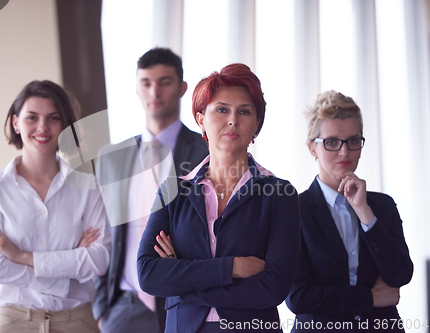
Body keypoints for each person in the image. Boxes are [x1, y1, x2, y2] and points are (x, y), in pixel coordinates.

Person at [137, 63, 301, 333]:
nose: (233, 120)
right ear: (201, 118)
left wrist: (184, 287)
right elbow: (149, 274)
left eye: (244, 111)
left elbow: (273, 289)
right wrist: (232, 267)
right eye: (222, 109)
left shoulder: (280, 195)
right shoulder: (172, 191)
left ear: (256, 124)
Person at [0, 80, 110, 333]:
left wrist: (20, 256)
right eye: (32, 117)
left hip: (76, 321)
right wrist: (67, 267)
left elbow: (99, 260)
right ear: (16, 122)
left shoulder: (88, 187)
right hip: (12, 320)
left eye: (53, 118)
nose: (42, 127)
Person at [92, 48, 209, 333]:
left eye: (165, 81)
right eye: (146, 82)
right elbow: (102, 231)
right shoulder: (112, 158)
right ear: (137, 88)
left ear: (182, 88)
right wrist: (101, 307)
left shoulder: (206, 151)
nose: (154, 91)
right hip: (123, 306)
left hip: (186, 300)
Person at [286, 90, 413, 332]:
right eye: (332, 142)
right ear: (312, 148)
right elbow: (298, 297)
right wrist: (370, 299)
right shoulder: (294, 210)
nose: (344, 152)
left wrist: (364, 212)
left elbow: (400, 275)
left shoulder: (382, 206)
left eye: (353, 141)